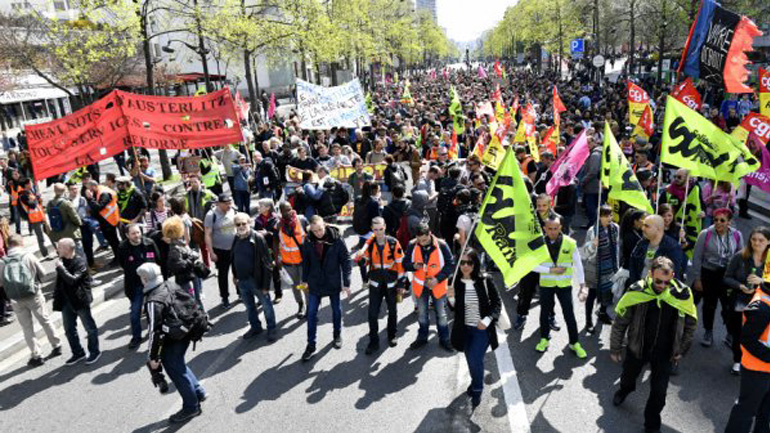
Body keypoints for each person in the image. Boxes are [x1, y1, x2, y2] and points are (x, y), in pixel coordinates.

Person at [611, 257, 697, 433]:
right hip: (637, 348)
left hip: (665, 353)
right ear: (650, 274)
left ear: (673, 276)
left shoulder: (682, 294)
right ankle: (625, 390)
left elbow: (690, 323)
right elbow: (621, 321)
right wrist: (615, 347)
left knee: (659, 394)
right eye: (658, 281)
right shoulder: (637, 290)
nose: (663, 286)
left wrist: (682, 349)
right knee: (628, 377)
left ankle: (651, 425)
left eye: (667, 281)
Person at [138, 262, 206, 424]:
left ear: (146, 279)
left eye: (141, 277)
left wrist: (152, 357)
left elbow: (154, 332)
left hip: (174, 338)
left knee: (175, 370)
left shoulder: (153, 301)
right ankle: (198, 391)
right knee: (179, 364)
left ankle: (191, 407)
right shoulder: (169, 283)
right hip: (187, 330)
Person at [450, 248, 501, 409]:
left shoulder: (485, 280)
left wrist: (487, 320)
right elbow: (455, 309)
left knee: (474, 359)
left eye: (469, 263)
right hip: (463, 329)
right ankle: (475, 383)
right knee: (471, 360)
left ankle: (477, 389)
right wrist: (450, 298)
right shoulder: (454, 281)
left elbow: (497, 303)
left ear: (475, 263)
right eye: (462, 262)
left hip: (481, 329)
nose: (465, 266)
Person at [0, 234, 61, 367]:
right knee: (45, 320)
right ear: (21, 243)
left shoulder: (2, 261)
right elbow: (43, 273)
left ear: (9, 245)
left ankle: (36, 355)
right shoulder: (28, 256)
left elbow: (0, 282)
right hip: (33, 294)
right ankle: (56, 345)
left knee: (27, 328)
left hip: (16, 299)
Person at [533, 216, 588, 358]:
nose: (552, 231)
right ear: (544, 228)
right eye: (549, 228)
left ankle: (574, 342)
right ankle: (544, 338)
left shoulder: (570, 243)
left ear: (561, 227)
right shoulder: (538, 243)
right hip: (546, 284)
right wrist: (550, 271)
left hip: (564, 285)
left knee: (569, 313)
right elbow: (531, 266)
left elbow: (578, 265)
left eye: (555, 228)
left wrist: (582, 286)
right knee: (544, 312)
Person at [691, 208, 744, 347]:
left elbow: (741, 257)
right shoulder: (705, 234)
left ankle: (730, 333)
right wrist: (698, 278)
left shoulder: (737, 235)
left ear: (729, 222)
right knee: (709, 305)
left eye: (722, 220)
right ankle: (708, 332)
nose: (718, 223)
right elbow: (697, 257)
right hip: (709, 273)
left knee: (728, 307)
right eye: (715, 220)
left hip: (728, 275)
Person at [300, 216, 351, 361]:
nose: (318, 233)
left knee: (336, 310)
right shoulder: (308, 240)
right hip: (315, 283)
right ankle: (311, 345)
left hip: (332, 282)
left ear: (325, 225)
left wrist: (346, 282)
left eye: (320, 229)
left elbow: (346, 260)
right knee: (311, 314)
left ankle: (337, 335)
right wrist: (304, 280)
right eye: (315, 231)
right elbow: (306, 262)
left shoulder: (337, 239)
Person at [354, 217, 405, 354]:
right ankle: (373, 341)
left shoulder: (394, 243)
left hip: (391, 284)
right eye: (375, 230)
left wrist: (401, 283)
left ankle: (392, 335)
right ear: (372, 229)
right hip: (376, 284)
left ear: (385, 227)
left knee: (392, 311)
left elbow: (401, 264)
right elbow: (366, 262)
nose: (378, 232)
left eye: (381, 229)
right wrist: (360, 260)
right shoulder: (369, 244)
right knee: (372, 314)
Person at [725, 279, 770, 432]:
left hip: (764, 369)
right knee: (746, 412)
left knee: (766, 415)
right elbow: (747, 340)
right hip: (757, 371)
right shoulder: (762, 307)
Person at [724, 227, 770, 375]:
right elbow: (727, 277)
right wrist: (740, 286)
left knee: (756, 335)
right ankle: (738, 360)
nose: (757, 243)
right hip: (740, 301)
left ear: (768, 241)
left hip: (762, 306)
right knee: (738, 333)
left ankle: (751, 362)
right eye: (754, 239)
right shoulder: (741, 256)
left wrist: (762, 281)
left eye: (761, 240)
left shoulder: (769, 261)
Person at [403, 223, 455, 351]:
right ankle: (422, 338)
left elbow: (450, 265)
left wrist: (437, 279)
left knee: (441, 315)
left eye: (424, 240)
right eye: (419, 240)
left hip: (438, 286)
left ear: (430, 234)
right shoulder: (412, 245)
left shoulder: (442, 245)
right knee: (422, 314)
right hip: (421, 287)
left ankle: (444, 339)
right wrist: (413, 266)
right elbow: (405, 264)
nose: (422, 243)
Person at [54, 238, 100, 365]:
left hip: (79, 301)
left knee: (89, 328)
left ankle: (94, 351)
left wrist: (61, 268)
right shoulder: (62, 261)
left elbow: (73, 280)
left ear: (68, 249)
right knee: (69, 329)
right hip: (66, 302)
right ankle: (78, 352)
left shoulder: (80, 263)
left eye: (60, 247)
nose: (58, 249)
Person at [231, 212, 277, 342]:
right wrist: (235, 275)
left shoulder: (258, 238)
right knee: (250, 307)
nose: (241, 226)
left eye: (243, 223)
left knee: (266, 306)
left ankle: (271, 329)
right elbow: (233, 257)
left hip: (257, 281)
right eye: (238, 224)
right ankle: (255, 327)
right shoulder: (236, 238)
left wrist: (266, 286)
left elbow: (268, 264)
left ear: (249, 223)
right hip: (242, 281)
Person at [117, 223, 161, 349]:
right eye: (133, 233)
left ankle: (156, 333)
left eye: (138, 232)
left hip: (153, 283)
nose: (137, 236)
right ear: (127, 235)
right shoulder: (123, 248)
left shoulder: (149, 243)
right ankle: (136, 337)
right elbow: (123, 265)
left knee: (155, 310)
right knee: (135, 313)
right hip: (135, 285)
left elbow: (158, 260)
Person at [581, 205, 620, 332]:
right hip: (595, 269)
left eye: (611, 215)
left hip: (610, 269)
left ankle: (602, 313)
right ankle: (588, 321)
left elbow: (617, 248)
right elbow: (585, 253)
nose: (609, 218)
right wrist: (593, 245)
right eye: (606, 215)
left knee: (607, 293)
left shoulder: (615, 228)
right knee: (592, 295)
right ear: (600, 217)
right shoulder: (593, 231)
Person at [628, 215, 686, 285]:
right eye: (643, 225)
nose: (643, 228)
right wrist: (635, 285)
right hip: (640, 289)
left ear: (658, 229)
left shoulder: (672, 247)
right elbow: (632, 262)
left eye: (647, 226)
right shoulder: (642, 243)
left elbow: (674, 274)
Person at [275, 201, 308, 318]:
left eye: (290, 209)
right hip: (288, 262)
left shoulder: (302, 220)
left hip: (303, 261)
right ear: (281, 212)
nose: (289, 212)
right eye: (286, 210)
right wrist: (276, 258)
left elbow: (310, 238)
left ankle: (309, 307)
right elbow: (275, 242)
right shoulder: (278, 225)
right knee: (295, 285)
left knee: (304, 285)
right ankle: (300, 304)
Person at [204, 193, 237, 309]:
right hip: (220, 251)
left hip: (235, 248)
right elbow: (207, 235)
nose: (229, 206)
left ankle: (240, 293)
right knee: (223, 275)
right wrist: (211, 253)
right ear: (219, 204)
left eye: (230, 203)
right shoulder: (211, 215)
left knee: (238, 272)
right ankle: (225, 297)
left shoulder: (233, 210)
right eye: (226, 204)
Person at [86, 179, 121, 263]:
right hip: (106, 220)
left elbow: (99, 207)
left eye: (90, 189)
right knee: (112, 241)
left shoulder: (104, 193)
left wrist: (90, 199)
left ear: (94, 186)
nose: (90, 191)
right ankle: (117, 257)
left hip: (110, 220)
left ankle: (119, 258)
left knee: (114, 241)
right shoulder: (98, 192)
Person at [254, 198, 282, 303]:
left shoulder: (277, 219)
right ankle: (263, 296)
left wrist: (268, 233)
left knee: (275, 273)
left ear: (268, 208)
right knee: (261, 274)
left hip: (273, 249)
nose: (258, 208)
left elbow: (279, 236)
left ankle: (278, 294)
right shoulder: (258, 220)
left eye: (261, 206)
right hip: (261, 249)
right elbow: (255, 232)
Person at [18, 178, 49, 258]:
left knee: (50, 232)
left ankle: (57, 249)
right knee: (40, 237)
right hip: (35, 219)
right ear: (27, 184)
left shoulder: (30, 192)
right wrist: (36, 198)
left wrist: (38, 198)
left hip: (41, 216)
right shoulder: (23, 195)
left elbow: (36, 203)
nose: (32, 183)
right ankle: (45, 254)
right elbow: (32, 205)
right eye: (30, 182)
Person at [46, 183, 82, 247]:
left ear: (54, 191)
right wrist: (80, 223)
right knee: (79, 253)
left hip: (58, 233)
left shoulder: (49, 204)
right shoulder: (66, 203)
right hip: (71, 232)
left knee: (66, 254)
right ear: (64, 190)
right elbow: (74, 216)